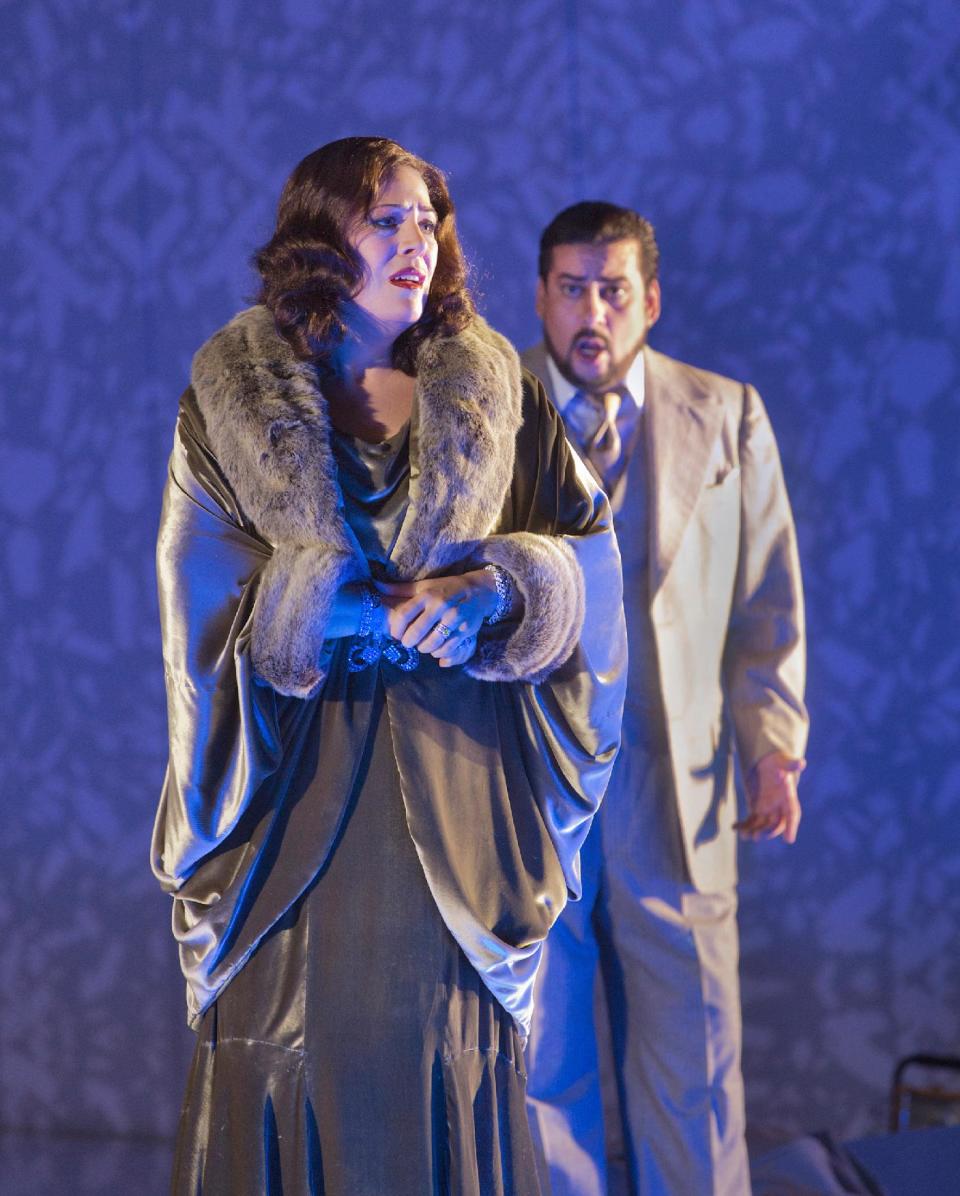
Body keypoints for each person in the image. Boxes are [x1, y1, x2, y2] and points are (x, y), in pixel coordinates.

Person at [151, 142, 626, 1195]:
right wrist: (332, 604)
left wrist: (498, 590)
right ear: (322, 237)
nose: (416, 243)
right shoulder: (230, 405)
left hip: (456, 800)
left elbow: (587, 562)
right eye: (385, 221)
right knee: (290, 1053)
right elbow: (199, 604)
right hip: (293, 804)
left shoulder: (498, 395)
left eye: (427, 222)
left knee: (438, 1065)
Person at [521, 202, 809, 1196]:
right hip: (535, 779)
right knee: (539, 1060)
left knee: (693, 1056)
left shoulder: (722, 412)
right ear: (542, 297)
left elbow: (766, 601)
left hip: (671, 780)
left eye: (611, 288)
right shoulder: (492, 407)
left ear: (650, 298)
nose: (590, 310)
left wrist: (773, 746)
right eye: (571, 288)